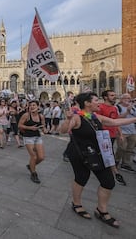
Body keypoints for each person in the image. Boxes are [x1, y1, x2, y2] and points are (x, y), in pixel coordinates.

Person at [59, 92, 136, 229]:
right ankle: (76, 203)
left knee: (108, 182)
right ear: (87, 103)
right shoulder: (77, 117)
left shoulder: (96, 117)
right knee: (82, 177)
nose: (98, 102)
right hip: (79, 154)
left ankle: (101, 210)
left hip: (98, 153)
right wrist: (67, 119)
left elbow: (114, 122)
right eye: (96, 100)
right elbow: (63, 130)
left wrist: (134, 119)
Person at [98, 90, 126, 186]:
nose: (114, 96)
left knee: (107, 153)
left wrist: (120, 134)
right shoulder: (100, 107)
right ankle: (116, 173)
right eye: (112, 95)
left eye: (114, 95)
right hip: (104, 135)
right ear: (106, 97)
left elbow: (116, 121)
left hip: (113, 134)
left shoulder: (114, 108)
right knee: (109, 153)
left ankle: (107, 169)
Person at [18, 100, 47, 183]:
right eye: (30, 105)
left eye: (34, 105)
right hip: (28, 137)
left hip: (37, 137)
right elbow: (19, 125)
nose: (32, 107)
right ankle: (33, 173)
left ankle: (31, 165)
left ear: (38, 106)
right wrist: (30, 128)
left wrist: (44, 129)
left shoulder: (41, 116)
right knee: (33, 156)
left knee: (41, 157)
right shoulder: (26, 115)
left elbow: (43, 126)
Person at [115, 93, 136, 172]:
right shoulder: (117, 107)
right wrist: (127, 111)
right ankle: (116, 161)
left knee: (130, 149)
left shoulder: (133, 107)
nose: (128, 99)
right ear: (121, 99)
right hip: (122, 131)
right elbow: (117, 118)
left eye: (129, 98)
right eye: (126, 98)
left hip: (132, 131)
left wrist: (131, 109)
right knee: (122, 148)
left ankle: (125, 164)